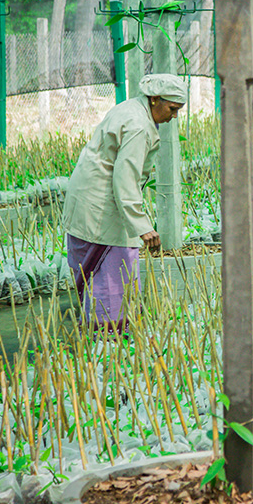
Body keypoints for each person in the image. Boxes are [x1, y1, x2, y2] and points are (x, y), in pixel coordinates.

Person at [62, 74, 186, 330]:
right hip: (100, 205)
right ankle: (109, 342)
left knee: (93, 271)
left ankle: (103, 339)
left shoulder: (131, 108)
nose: (174, 117)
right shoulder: (139, 125)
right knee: (111, 274)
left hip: (88, 197)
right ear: (155, 99)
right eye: (172, 109)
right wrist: (142, 226)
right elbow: (125, 177)